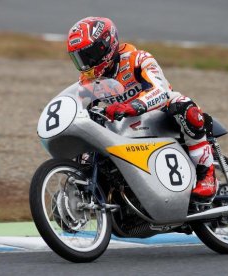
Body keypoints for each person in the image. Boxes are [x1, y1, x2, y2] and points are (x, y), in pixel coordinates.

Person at [67, 17, 216, 199]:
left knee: (183, 106)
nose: (85, 64)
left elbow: (161, 90)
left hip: (161, 112)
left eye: (88, 55)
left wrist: (132, 106)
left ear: (105, 46)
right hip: (126, 126)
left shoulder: (138, 59)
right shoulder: (88, 81)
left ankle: (207, 174)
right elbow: (79, 107)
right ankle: (87, 196)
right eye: (79, 59)